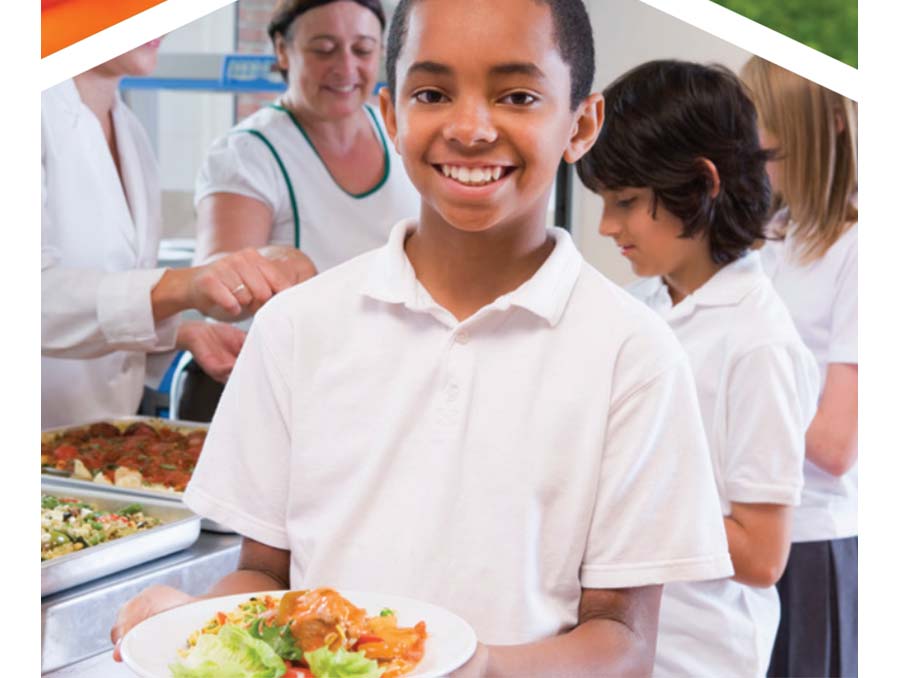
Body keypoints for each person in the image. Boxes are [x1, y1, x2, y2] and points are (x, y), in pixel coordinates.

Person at [112, 2, 734, 675]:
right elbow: (262, 579)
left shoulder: (634, 355)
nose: (470, 128)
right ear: (390, 113)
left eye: (518, 95)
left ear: (581, 123)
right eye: (433, 94)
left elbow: (623, 641)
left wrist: (478, 668)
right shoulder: (298, 327)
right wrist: (194, 623)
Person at [576, 59, 819, 678]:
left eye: (626, 202)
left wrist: (620, 495)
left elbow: (763, 555)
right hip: (620, 635)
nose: (607, 227)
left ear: (701, 184)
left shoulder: (759, 343)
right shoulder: (641, 304)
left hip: (702, 655)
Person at [42, 40, 310, 428]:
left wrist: (178, 334)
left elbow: (101, 308)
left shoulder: (130, 131)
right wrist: (186, 286)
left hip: (97, 443)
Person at [178, 0, 420, 420]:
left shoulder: (400, 134)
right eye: (324, 49)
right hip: (278, 394)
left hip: (385, 386)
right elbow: (214, 287)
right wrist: (264, 266)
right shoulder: (247, 154)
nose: (345, 68)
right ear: (283, 51)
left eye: (362, 50)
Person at [741, 56, 859, 678]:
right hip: (743, 526)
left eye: (771, 150)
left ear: (827, 128)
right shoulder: (774, 237)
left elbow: (837, 444)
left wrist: (735, 393)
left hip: (814, 543)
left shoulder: (862, 251)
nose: (759, 162)